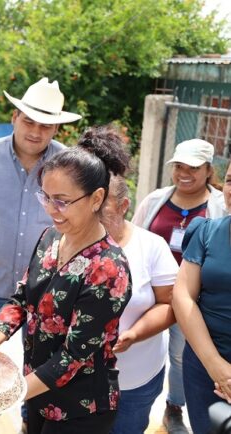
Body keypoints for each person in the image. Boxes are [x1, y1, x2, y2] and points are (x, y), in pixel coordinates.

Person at [0, 126, 131, 434]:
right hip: (38, 393)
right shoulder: (51, 238)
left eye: (62, 201)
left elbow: (73, 356)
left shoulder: (109, 269)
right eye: (45, 197)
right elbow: (21, 300)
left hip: (80, 408)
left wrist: (3, 394)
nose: (50, 210)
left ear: (97, 198)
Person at [0, 77, 81, 434]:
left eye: (45, 125)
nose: (36, 131)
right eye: (29, 121)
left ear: (56, 128)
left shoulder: (69, 167)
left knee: (41, 363)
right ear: (14, 117)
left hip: (48, 289)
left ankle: (31, 422)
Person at [132, 138, 226, 433]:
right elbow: (134, 237)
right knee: (141, 347)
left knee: (180, 355)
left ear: (209, 170)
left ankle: (174, 406)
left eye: (193, 168)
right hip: (153, 296)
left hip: (193, 301)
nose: (184, 173)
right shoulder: (155, 200)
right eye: (179, 167)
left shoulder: (219, 206)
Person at [98, 136, 179, 433]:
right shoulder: (70, 242)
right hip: (77, 381)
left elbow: (169, 304)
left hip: (134, 381)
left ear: (123, 206)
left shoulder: (151, 247)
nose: (93, 210)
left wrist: (134, 333)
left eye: (103, 203)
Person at [171, 160, 231, 434]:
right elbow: (182, 295)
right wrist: (216, 366)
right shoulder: (206, 231)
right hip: (204, 367)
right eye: (229, 181)